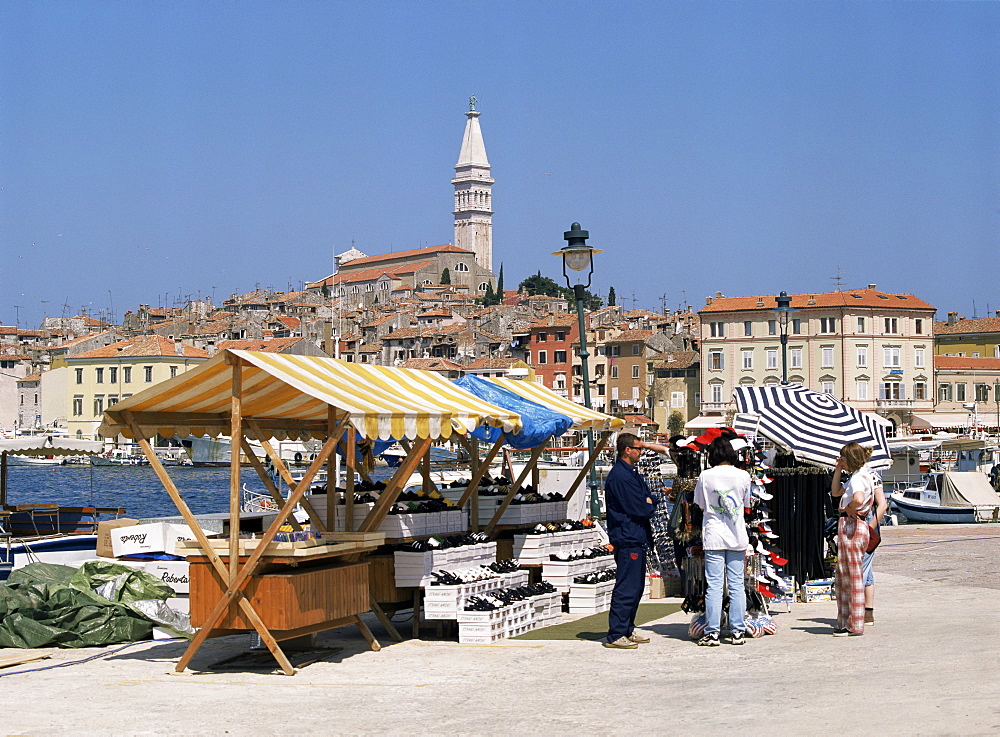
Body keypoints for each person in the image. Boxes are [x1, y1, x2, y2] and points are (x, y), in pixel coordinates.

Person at [603, 433, 667, 649]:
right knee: (627, 586)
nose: (642, 452)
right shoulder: (620, 476)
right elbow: (640, 506)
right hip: (627, 536)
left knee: (636, 586)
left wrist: (650, 501)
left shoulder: (631, 473)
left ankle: (627, 628)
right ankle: (616, 633)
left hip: (636, 536)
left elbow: (648, 497)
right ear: (627, 450)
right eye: (639, 448)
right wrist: (649, 503)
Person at [692, 436, 752, 646]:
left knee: (714, 586)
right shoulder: (743, 476)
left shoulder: (705, 476)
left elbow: (700, 504)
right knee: (737, 585)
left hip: (714, 536)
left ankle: (713, 631)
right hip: (737, 535)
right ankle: (737, 630)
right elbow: (746, 504)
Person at [831, 442, 876, 636]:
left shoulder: (857, 479)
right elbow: (835, 492)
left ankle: (853, 623)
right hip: (857, 526)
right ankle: (849, 621)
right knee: (849, 575)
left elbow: (857, 499)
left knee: (850, 576)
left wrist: (848, 508)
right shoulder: (862, 476)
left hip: (852, 525)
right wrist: (839, 469)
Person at [861, 479, 889, 626]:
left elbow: (883, 504)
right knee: (867, 572)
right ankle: (868, 613)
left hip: (865, 525)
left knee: (860, 570)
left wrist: (868, 529)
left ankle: (860, 613)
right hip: (864, 526)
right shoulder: (856, 474)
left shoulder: (871, 475)